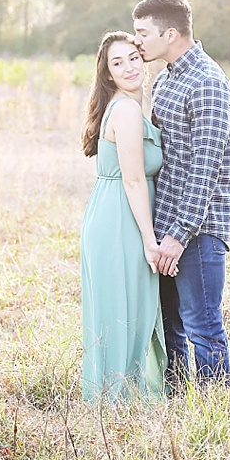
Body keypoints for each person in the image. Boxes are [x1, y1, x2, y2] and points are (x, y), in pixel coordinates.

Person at [132, 0, 230, 391]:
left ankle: (211, 413)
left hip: (199, 228)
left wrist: (178, 235)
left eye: (143, 33)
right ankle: (176, 404)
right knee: (169, 323)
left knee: (202, 325)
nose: (137, 41)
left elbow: (204, 170)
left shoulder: (208, 83)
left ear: (170, 33)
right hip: (166, 224)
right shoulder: (165, 78)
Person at [80, 31, 170, 402]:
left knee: (124, 308)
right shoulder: (128, 110)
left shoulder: (124, 106)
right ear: (108, 74)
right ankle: (117, 401)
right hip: (121, 221)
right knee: (123, 310)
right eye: (117, 63)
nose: (129, 67)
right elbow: (133, 179)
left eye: (133, 57)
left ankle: (117, 396)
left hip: (114, 214)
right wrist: (151, 242)